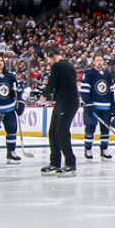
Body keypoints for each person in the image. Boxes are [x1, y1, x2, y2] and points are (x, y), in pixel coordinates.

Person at [41, 45, 79, 177]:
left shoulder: (58, 66)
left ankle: (70, 162)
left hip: (67, 102)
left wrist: (44, 95)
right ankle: (55, 162)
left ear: (51, 54)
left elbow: (52, 83)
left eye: (47, 59)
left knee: (61, 131)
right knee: (53, 131)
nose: (48, 62)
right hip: (62, 102)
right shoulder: (65, 65)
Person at [79, 54, 115, 160]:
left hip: (106, 107)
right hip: (92, 106)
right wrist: (88, 102)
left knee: (105, 129)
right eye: (97, 60)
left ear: (103, 61)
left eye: (101, 60)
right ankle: (88, 150)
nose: (99, 62)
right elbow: (85, 90)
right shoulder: (89, 73)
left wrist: (113, 104)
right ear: (94, 62)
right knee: (90, 128)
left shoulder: (108, 74)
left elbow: (111, 90)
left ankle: (104, 150)